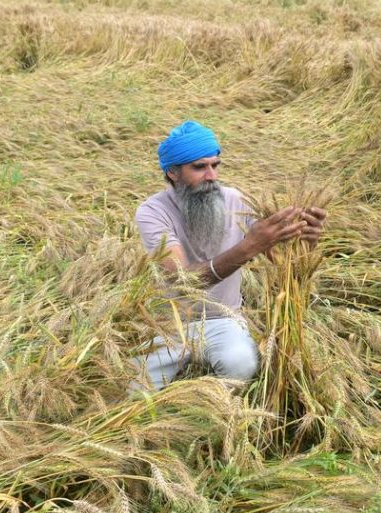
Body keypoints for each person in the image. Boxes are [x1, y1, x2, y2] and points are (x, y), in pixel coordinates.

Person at [132, 120, 327, 391]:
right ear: (173, 173)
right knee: (134, 386)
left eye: (215, 165)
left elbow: (283, 262)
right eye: (199, 167)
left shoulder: (236, 201)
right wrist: (249, 246)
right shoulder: (152, 212)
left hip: (223, 319)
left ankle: (211, 410)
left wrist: (307, 240)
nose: (211, 176)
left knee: (241, 366)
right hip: (170, 322)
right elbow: (182, 281)